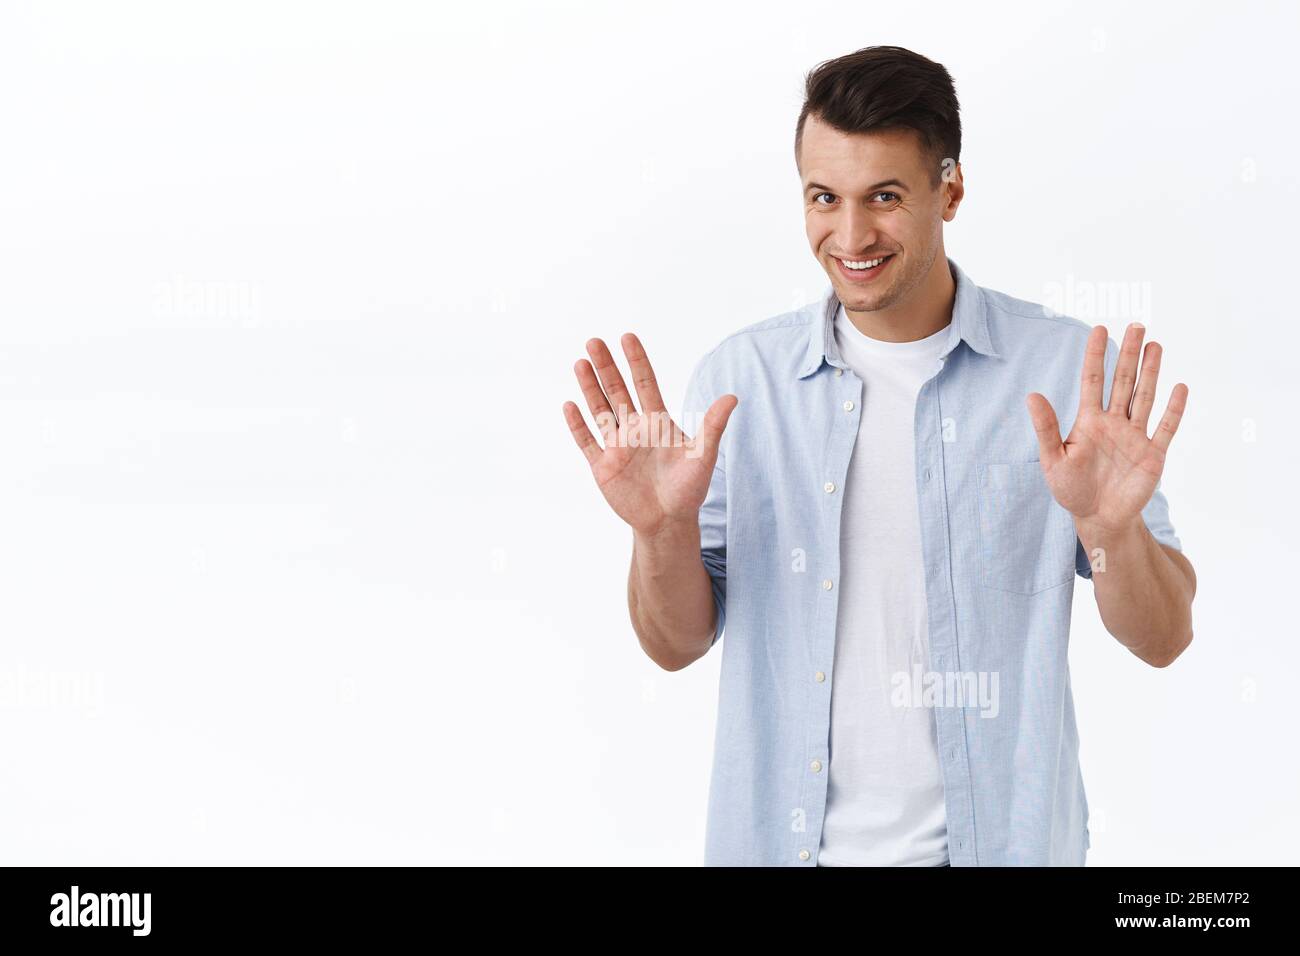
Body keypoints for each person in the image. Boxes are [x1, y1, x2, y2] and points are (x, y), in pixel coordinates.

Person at [561, 45, 1196, 866]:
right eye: (824, 197)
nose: (851, 234)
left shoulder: (1066, 376)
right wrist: (659, 533)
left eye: (885, 197)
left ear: (951, 190)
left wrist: (1111, 530)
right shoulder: (739, 384)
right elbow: (674, 645)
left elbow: (1164, 637)